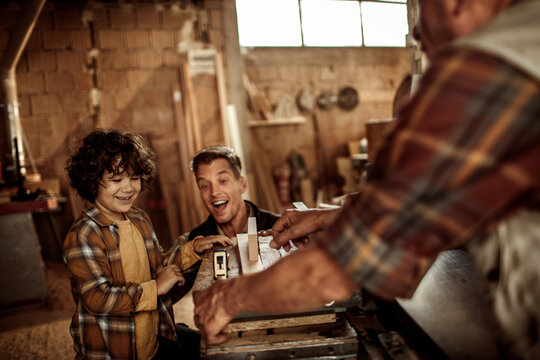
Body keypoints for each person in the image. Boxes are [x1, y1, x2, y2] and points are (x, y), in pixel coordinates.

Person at [193, 1, 540, 358]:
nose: (416, 32)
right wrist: (326, 216)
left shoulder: (489, 76)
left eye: (425, 9)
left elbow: (335, 271)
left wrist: (230, 296)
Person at [63, 129, 199, 360]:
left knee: (207, 345)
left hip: (152, 341)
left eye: (134, 178)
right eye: (116, 180)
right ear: (92, 182)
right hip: (114, 351)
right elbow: (98, 299)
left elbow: (157, 267)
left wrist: (193, 250)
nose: (128, 188)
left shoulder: (139, 219)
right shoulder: (84, 235)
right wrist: (155, 289)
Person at [178, 146, 280, 284]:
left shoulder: (277, 227)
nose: (214, 192)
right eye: (205, 186)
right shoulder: (194, 244)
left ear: (242, 185)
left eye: (223, 181)